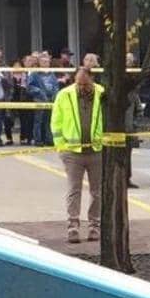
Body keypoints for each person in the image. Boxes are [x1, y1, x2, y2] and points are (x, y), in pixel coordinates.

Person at [51, 55, 106, 243]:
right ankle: (73, 227)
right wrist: (61, 147)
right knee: (74, 190)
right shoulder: (64, 95)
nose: (82, 87)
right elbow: (56, 122)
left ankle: (94, 226)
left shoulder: (102, 93)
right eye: (79, 84)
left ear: (92, 79)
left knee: (96, 191)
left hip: (96, 150)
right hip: (72, 152)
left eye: (85, 84)